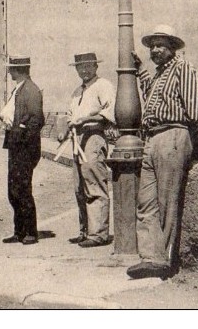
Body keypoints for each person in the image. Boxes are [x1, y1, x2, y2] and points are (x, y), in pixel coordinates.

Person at [126, 25, 198, 280]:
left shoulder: (184, 69)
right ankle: (149, 257)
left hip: (173, 134)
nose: (155, 50)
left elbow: (195, 113)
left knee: (166, 201)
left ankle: (164, 260)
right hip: (152, 138)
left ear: (172, 47)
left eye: (161, 45)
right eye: (152, 46)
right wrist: (139, 69)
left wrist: (183, 140)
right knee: (146, 201)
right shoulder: (160, 74)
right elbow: (151, 92)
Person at [64, 52, 115, 248]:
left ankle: (98, 234)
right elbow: (70, 114)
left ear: (95, 66)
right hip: (77, 139)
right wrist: (68, 126)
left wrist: (85, 120)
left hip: (93, 136)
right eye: (80, 66)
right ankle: (84, 231)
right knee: (79, 187)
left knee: (94, 184)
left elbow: (109, 112)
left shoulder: (104, 85)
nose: (84, 70)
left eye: (88, 66)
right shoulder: (77, 91)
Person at [0, 56, 44, 245]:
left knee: (23, 189)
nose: (9, 72)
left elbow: (36, 120)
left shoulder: (31, 90)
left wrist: (25, 142)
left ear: (19, 70)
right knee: (13, 190)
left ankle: (30, 232)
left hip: (24, 147)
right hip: (15, 144)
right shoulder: (18, 89)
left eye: (11, 69)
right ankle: (19, 230)